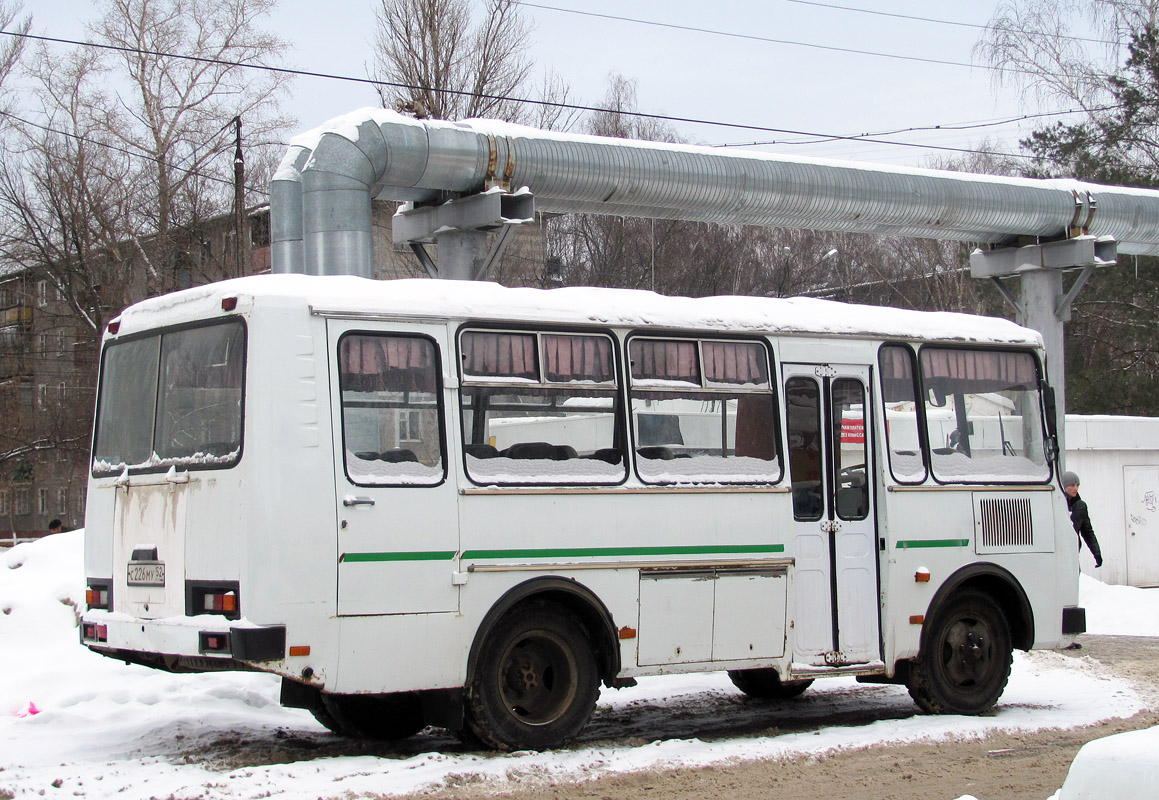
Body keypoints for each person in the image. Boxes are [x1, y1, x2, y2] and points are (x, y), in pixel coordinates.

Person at [1061, 472, 1102, 568]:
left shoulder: (1080, 506)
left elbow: (1087, 532)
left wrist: (1097, 554)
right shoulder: (1057, 503)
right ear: (1064, 486)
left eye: (1077, 485)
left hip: (1073, 551)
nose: (1075, 488)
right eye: (1072, 485)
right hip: (1059, 550)